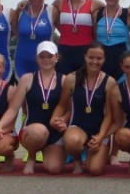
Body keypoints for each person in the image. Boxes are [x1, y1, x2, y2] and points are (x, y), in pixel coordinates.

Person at [0, 41, 66, 175]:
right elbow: (13, 109)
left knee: (54, 168)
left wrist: (63, 120)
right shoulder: (27, 79)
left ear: (57, 57)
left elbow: (70, 108)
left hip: (54, 132)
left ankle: (48, 150)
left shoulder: (64, 80)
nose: (46, 59)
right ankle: (31, 157)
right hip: (31, 131)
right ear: (37, 58)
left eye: (50, 56)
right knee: (39, 131)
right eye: (42, 56)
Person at [49, 42, 117, 176]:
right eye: (91, 57)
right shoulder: (71, 78)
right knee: (72, 141)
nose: (95, 62)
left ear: (104, 59)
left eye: (99, 58)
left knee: (95, 170)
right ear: (85, 57)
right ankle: (77, 159)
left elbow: (109, 115)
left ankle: (98, 152)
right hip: (77, 127)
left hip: (99, 130)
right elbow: (62, 105)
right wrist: (54, 119)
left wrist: (100, 137)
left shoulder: (109, 82)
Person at [53, 0, 104, 75]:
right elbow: (45, 12)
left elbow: (113, 10)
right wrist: (25, 2)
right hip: (64, 51)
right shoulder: (60, 1)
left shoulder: (94, 3)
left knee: (84, 83)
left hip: (85, 51)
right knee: (64, 83)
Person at [10, 0, 56, 80]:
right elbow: (12, 33)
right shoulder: (20, 11)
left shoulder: (52, 11)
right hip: (21, 64)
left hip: (44, 64)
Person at [96, 0, 130, 81]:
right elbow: (93, 39)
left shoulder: (129, 15)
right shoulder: (96, 14)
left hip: (123, 68)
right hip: (100, 67)